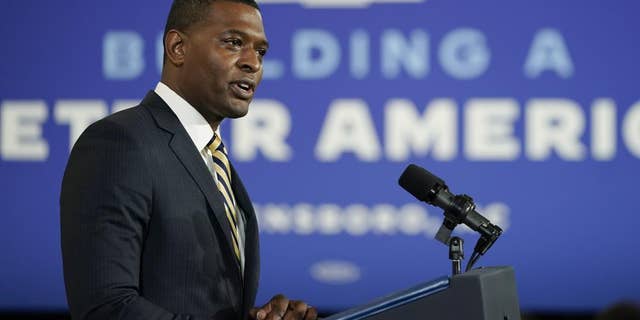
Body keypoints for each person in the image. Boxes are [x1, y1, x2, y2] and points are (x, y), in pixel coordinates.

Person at [60, 1, 317, 319]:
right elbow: (105, 307)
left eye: (261, 51)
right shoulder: (119, 143)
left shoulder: (213, 159)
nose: (252, 62)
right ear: (177, 47)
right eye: (234, 43)